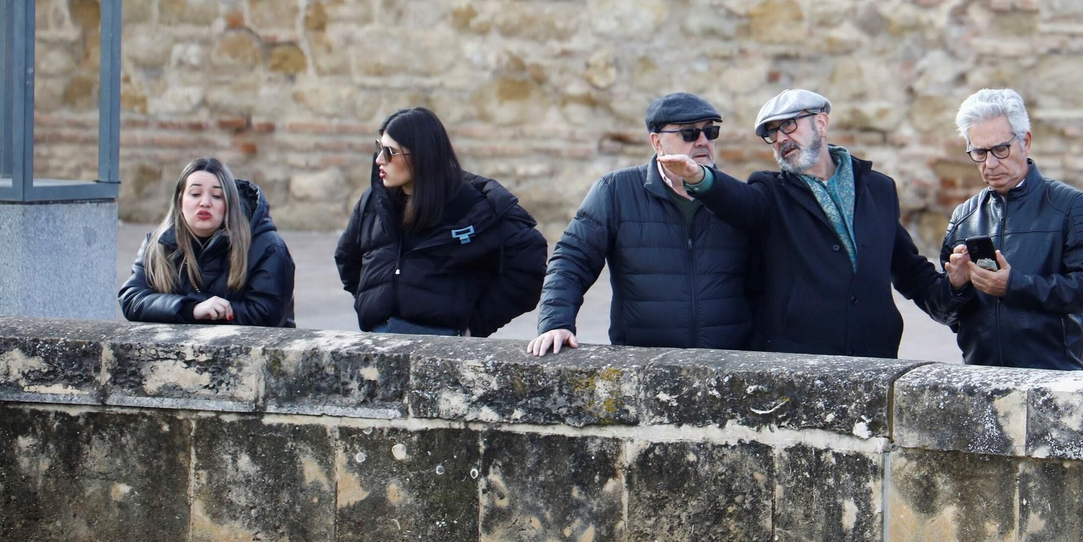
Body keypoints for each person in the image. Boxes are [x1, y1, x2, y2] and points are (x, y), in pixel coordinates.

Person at [658, 88, 967, 358]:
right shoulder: (769, 192)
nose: (780, 138)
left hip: (875, 361)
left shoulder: (877, 189)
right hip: (796, 368)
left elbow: (911, 273)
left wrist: (952, 286)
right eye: (772, 133)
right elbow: (738, 201)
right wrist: (700, 178)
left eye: (788, 125)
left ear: (821, 122)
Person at [527, 93, 753, 355]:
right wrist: (556, 324)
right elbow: (572, 260)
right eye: (689, 133)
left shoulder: (735, 197)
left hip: (728, 365)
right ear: (657, 142)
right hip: (642, 365)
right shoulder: (615, 190)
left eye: (710, 132)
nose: (703, 141)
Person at [929, 89, 1083, 369]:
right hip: (979, 376)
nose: (990, 163)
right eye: (979, 152)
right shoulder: (964, 216)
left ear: (1025, 142)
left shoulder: (1072, 205)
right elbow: (943, 314)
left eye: (1000, 149)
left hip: (1053, 377)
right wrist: (955, 286)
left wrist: (1013, 286)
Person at [335, 106, 546, 336]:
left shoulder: (474, 206)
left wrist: (475, 325)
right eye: (378, 148)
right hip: (378, 344)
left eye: (389, 152)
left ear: (421, 155)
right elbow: (347, 258)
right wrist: (375, 299)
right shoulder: (374, 201)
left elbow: (529, 265)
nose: (379, 160)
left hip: (443, 348)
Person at [120, 157, 296, 327]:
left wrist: (209, 312)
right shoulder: (157, 244)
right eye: (195, 194)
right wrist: (191, 308)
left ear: (230, 204)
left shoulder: (267, 247)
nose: (205, 203)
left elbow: (268, 315)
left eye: (217, 196)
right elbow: (132, 299)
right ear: (180, 200)